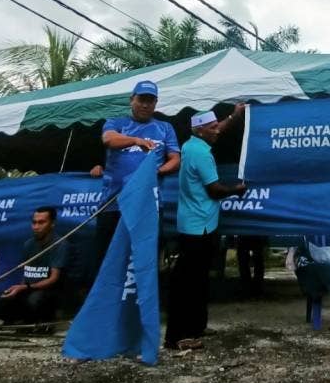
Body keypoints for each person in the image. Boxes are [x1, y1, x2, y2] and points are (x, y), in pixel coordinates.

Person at [164, 109, 247, 350]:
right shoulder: (201, 153)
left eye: (216, 126)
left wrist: (235, 115)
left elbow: (219, 128)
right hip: (199, 227)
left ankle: (196, 326)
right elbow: (215, 190)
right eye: (212, 128)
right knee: (189, 282)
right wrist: (237, 189)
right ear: (200, 130)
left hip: (194, 223)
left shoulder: (190, 145)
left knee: (199, 279)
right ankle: (177, 336)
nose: (217, 131)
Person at [91, 80, 180, 267]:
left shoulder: (165, 127)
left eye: (150, 100)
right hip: (113, 204)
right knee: (107, 260)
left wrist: (157, 171)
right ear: (131, 100)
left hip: (149, 205)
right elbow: (108, 139)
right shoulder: (116, 122)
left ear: (156, 103)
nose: (145, 105)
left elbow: (175, 159)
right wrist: (135, 140)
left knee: (144, 260)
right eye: (141, 99)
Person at [0, 206, 67, 325]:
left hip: (47, 293)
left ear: (52, 224)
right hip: (27, 291)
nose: (36, 227)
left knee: (34, 301)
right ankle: (18, 318)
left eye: (41, 223)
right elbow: (26, 273)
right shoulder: (29, 244)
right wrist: (18, 289)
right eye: (34, 222)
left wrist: (26, 287)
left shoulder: (60, 244)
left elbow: (54, 279)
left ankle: (37, 319)